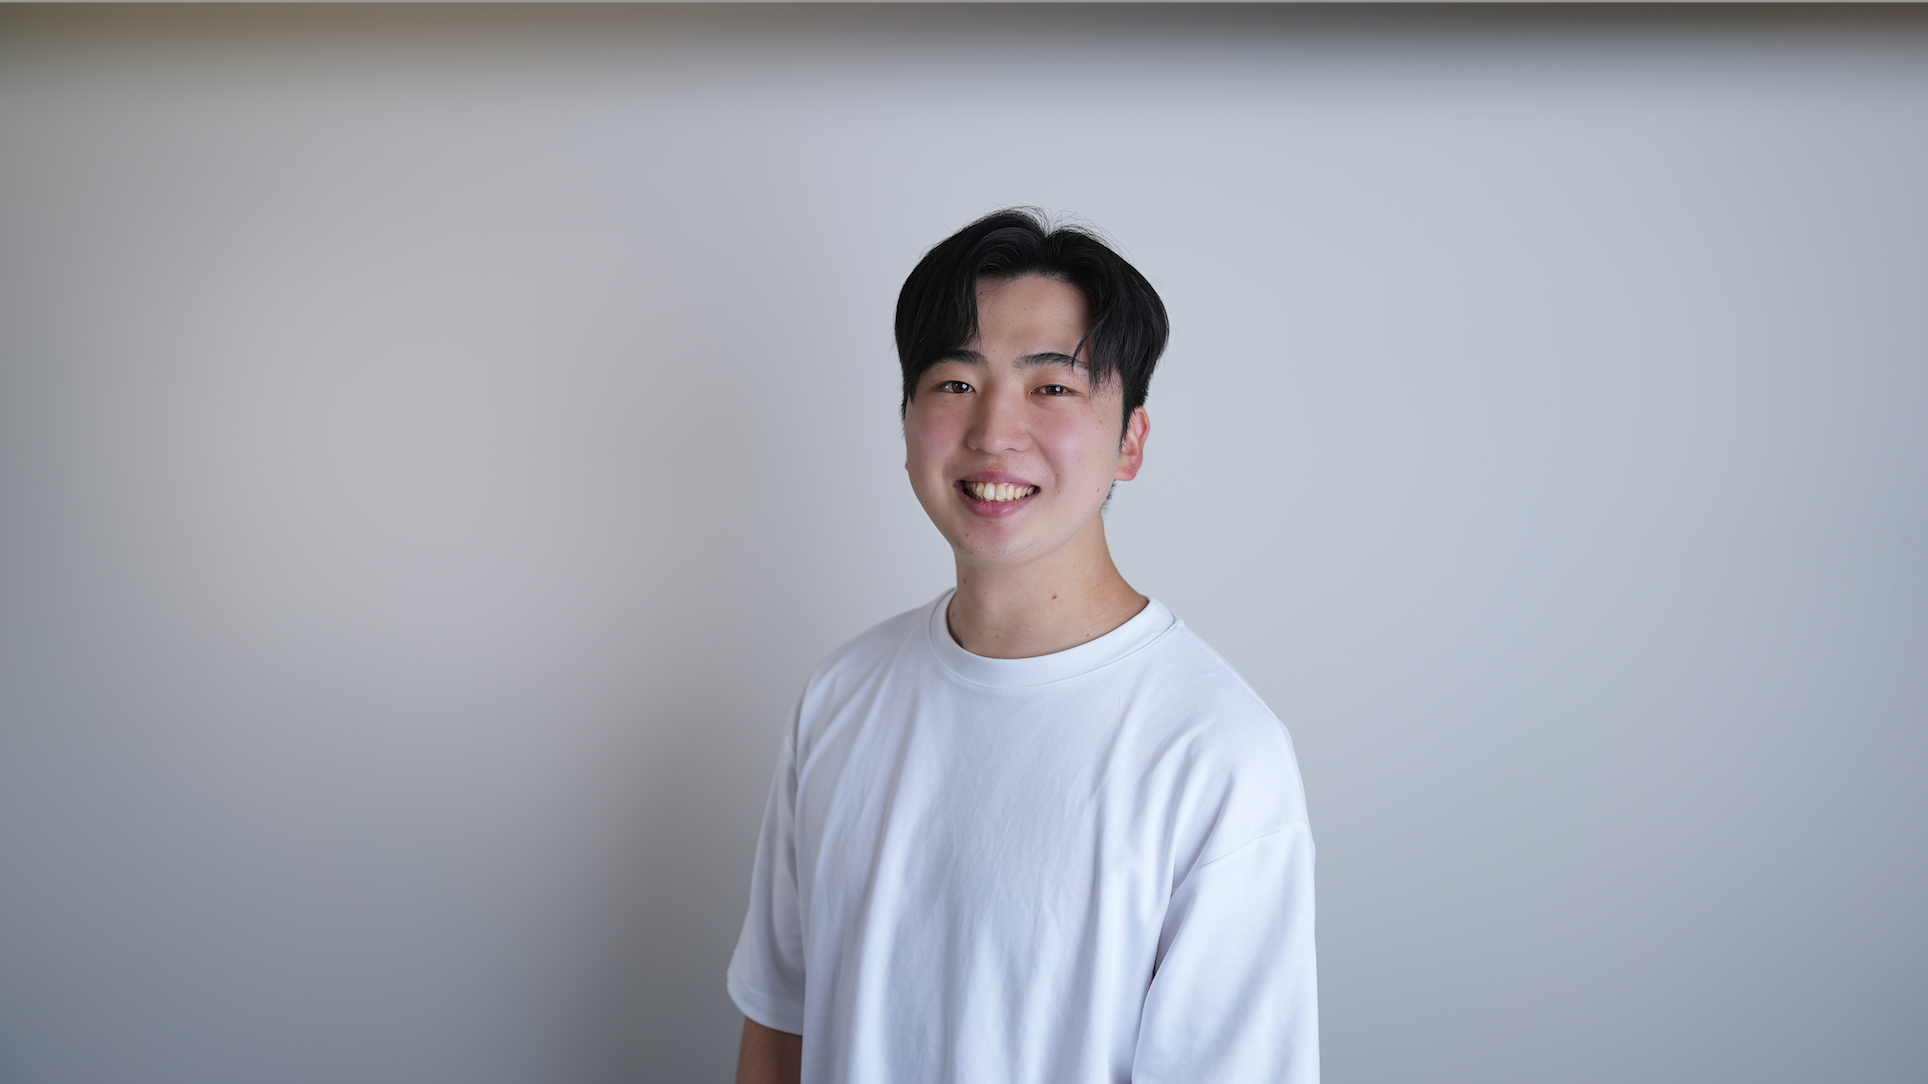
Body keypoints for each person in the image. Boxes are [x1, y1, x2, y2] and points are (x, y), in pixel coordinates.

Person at [727, 208, 1318, 1084]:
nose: (994, 430)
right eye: (955, 382)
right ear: (906, 424)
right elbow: (782, 1032)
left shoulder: (1218, 753)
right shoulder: (840, 695)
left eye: (1053, 387)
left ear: (1131, 442)